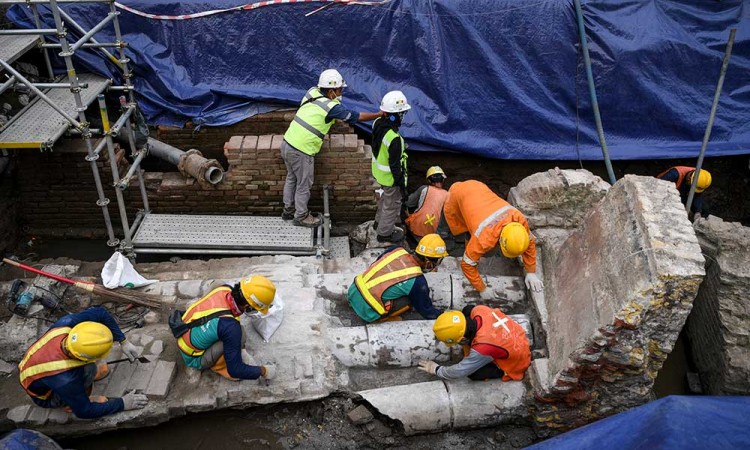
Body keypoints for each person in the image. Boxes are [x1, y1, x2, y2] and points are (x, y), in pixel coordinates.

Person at [282, 69, 384, 227]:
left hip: (287, 143)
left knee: (291, 178)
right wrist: (378, 114)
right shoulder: (331, 107)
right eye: (339, 90)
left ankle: (288, 210)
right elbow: (356, 117)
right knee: (304, 183)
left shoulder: (312, 92)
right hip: (302, 149)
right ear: (331, 91)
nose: (341, 92)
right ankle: (301, 216)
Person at [18, 307, 147, 419]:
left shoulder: (67, 324)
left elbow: (101, 313)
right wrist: (123, 403)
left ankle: (81, 386)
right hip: (47, 396)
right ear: (82, 357)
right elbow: (84, 412)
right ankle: (69, 404)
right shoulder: (66, 379)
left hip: (36, 369)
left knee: (91, 365)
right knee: (89, 369)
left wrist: (123, 341)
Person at [443, 179, 542, 296]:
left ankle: (469, 247)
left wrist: (531, 272)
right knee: (459, 226)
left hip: (479, 187)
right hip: (458, 194)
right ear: (500, 240)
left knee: (472, 229)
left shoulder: (519, 219)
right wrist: (481, 288)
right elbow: (466, 264)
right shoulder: (483, 238)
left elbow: (530, 242)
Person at [177, 275, 277, 381]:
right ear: (248, 307)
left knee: (217, 283)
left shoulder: (224, 288)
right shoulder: (231, 328)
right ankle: (219, 367)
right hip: (193, 357)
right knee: (240, 335)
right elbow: (235, 370)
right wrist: (264, 371)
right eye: (255, 309)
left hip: (184, 327)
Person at [347, 233, 448, 323]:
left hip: (353, 290)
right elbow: (426, 311)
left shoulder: (396, 250)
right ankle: (380, 319)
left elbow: (377, 263)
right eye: (437, 262)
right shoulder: (418, 281)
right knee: (410, 300)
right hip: (367, 311)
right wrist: (443, 315)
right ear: (428, 262)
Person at [418, 306, 531, 381]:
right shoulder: (479, 310)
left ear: (463, 339)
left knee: (474, 374)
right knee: (468, 309)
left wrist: (437, 370)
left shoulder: (483, 348)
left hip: (518, 362)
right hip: (515, 336)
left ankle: (500, 372)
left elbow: (459, 371)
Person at [371, 90, 412, 242]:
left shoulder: (377, 123)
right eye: (401, 113)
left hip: (379, 174)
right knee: (392, 205)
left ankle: (378, 223)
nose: (403, 117)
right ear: (395, 114)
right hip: (390, 179)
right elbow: (395, 166)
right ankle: (384, 234)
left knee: (384, 200)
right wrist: (401, 185)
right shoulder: (394, 139)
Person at [404, 166, 450, 240]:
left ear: (429, 180)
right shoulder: (448, 195)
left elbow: (408, 203)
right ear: (443, 180)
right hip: (434, 234)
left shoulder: (424, 189)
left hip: (416, 229)